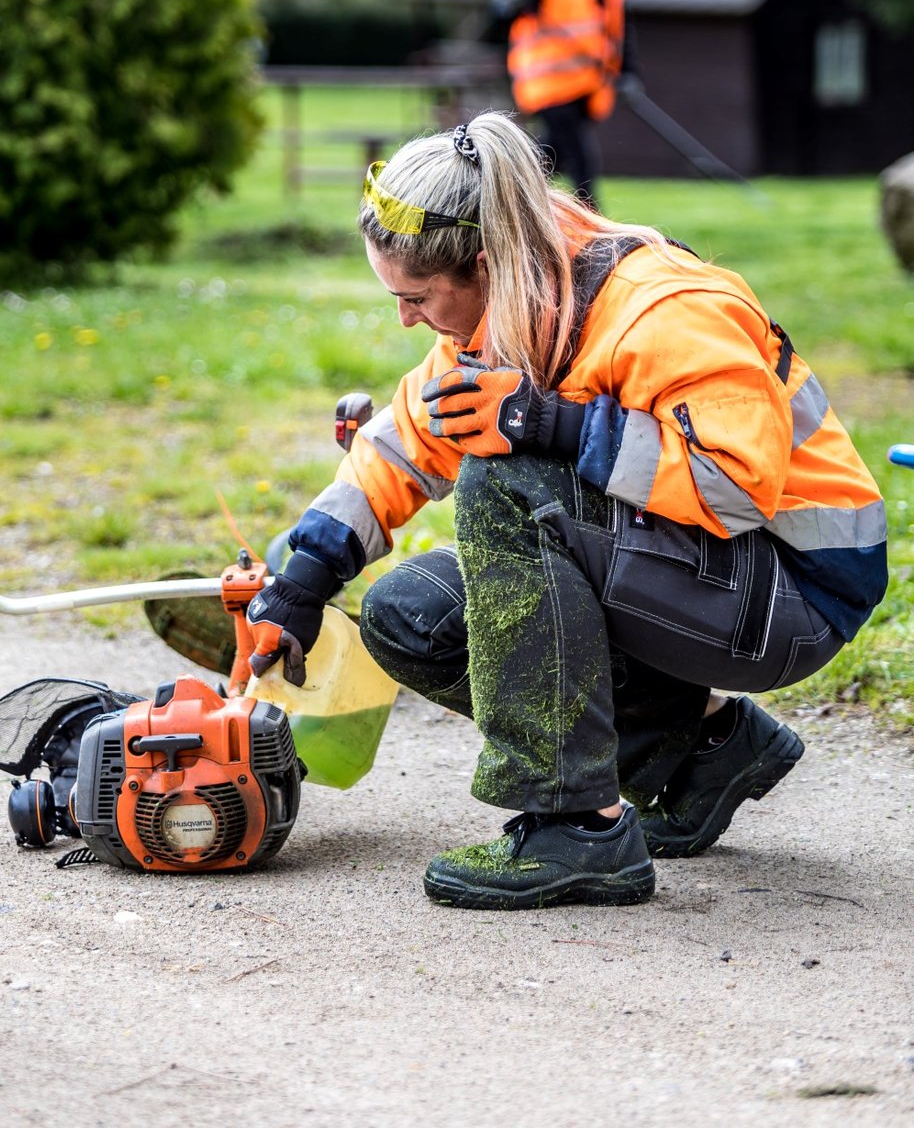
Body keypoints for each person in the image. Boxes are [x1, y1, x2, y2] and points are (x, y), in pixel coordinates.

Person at [245, 111, 888, 912]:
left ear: (480, 262)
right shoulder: (517, 293)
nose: (405, 319)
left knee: (507, 488)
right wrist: (305, 578)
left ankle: (577, 828)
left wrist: (557, 424)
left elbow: (734, 483)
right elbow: (411, 436)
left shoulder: (663, 308)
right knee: (410, 616)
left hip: (797, 589)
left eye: (414, 298)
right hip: (706, 574)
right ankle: (703, 749)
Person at [486, 0, 639, 207]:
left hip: (591, 82)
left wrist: (628, 72)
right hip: (550, 83)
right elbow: (510, 5)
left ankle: (504, 200)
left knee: (551, 156)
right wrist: (510, 1)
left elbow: (619, 29)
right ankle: (593, 216)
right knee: (579, 156)